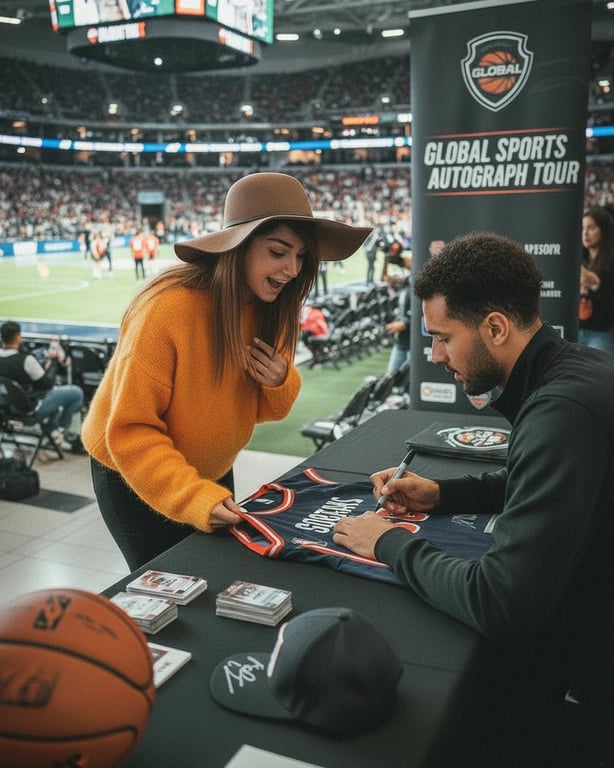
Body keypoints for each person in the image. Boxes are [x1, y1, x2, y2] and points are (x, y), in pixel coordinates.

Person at [333, 232, 614, 767]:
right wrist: (443, 493)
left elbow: (499, 603)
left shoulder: (561, 411)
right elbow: (545, 482)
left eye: (443, 338)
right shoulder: (572, 371)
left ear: (495, 327)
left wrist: (389, 542)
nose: (435, 356)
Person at [82, 172, 371, 571]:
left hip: (211, 470)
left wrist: (279, 381)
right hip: (133, 472)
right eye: (278, 251)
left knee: (214, 575)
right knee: (166, 589)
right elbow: (129, 432)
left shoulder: (276, 306)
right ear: (237, 246)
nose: (291, 268)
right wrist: (192, 497)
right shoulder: (168, 309)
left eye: (301, 255)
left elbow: (269, 410)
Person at [0, 321, 84, 450]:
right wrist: (51, 363)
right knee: (75, 393)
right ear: (18, 337)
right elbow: (47, 384)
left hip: (6, 408)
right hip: (29, 408)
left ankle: (52, 430)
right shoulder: (26, 360)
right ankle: (59, 432)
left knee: (53, 396)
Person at [578, 205, 614, 355]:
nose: (585, 233)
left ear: (603, 230)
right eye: (583, 228)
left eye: (591, 228)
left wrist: (597, 285)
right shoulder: (580, 259)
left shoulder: (611, 261)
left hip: (602, 333)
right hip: (577, 330)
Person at [384, 276, 411, 374]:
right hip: (400, 342)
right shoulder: (406, 284)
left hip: (413, 344)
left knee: (409, 379)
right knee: (391, 375)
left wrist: (406, 324)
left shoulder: (419, 285)